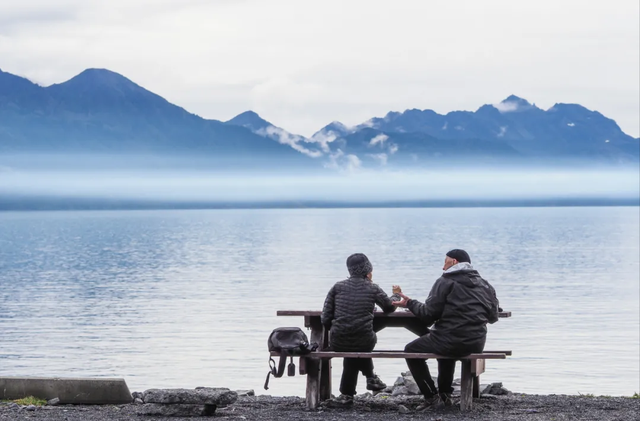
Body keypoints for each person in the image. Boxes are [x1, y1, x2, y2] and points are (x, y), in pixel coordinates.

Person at [392, 249, 500, 408]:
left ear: (454, 262)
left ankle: (431, 397)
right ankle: (444, 394)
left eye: (445, 262)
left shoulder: (445, 281)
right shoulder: (485, 284)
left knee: (411, 350)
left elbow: (428, 315)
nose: (443, 267)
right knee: (442, 340)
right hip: (476, 343)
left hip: (449, 340)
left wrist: (410, 303)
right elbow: (493, 317)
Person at [321, 253, 396, 404]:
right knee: (359, 342)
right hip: (365, 341)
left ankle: (348, 394)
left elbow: (325, 318)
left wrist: (337, 328)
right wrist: (396, 297)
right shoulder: (372, 287)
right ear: (368, 271)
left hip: (338, 340)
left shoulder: (337, 287)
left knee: (352, 348)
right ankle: (370, 377)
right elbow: (389, 307)